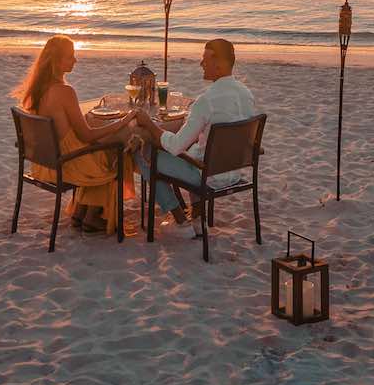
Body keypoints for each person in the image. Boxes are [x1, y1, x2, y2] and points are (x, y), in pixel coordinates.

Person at [13, 36, 138, 236]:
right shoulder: (64, 91)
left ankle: (81, 211)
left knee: (101, 152)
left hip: (43, 164)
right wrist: (122, 122)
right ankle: (93, 216)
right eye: (70, 57)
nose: (75, 61)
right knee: (117, 153)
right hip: (65, 164)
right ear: (56, 61)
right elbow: (87, 135)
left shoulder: (38, 88)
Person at [139, 37, 260, 228]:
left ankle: (179, 218)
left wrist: (149, 124)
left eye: (205, 59)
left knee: (144, 153)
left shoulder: (207, 100)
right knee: (195, 148)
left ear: (219, 64)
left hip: (207, 176)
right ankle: (197, 211)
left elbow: (177, 146)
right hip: (233, 171)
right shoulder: (246, 94)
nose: (201, 63)